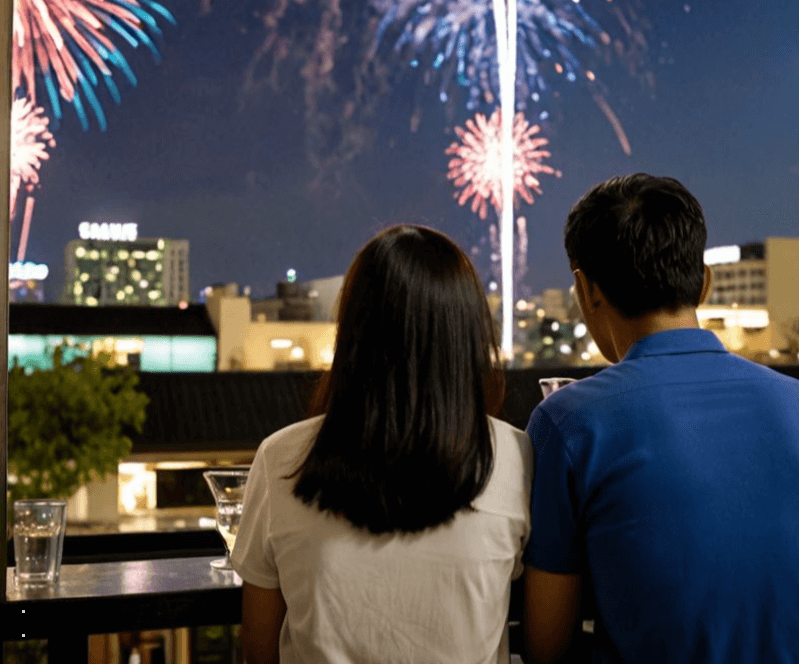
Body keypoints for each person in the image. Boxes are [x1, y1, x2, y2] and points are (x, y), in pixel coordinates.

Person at [522, 173, 799, 664]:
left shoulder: (568, 423)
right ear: (706, 284)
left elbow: (547, 647)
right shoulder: (793, 401)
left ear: (586, 290)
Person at [232, 224, 532, 664]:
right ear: (466, 335)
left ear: (353, 331)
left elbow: (258, 650)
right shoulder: (516, 457)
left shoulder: (282, 458)